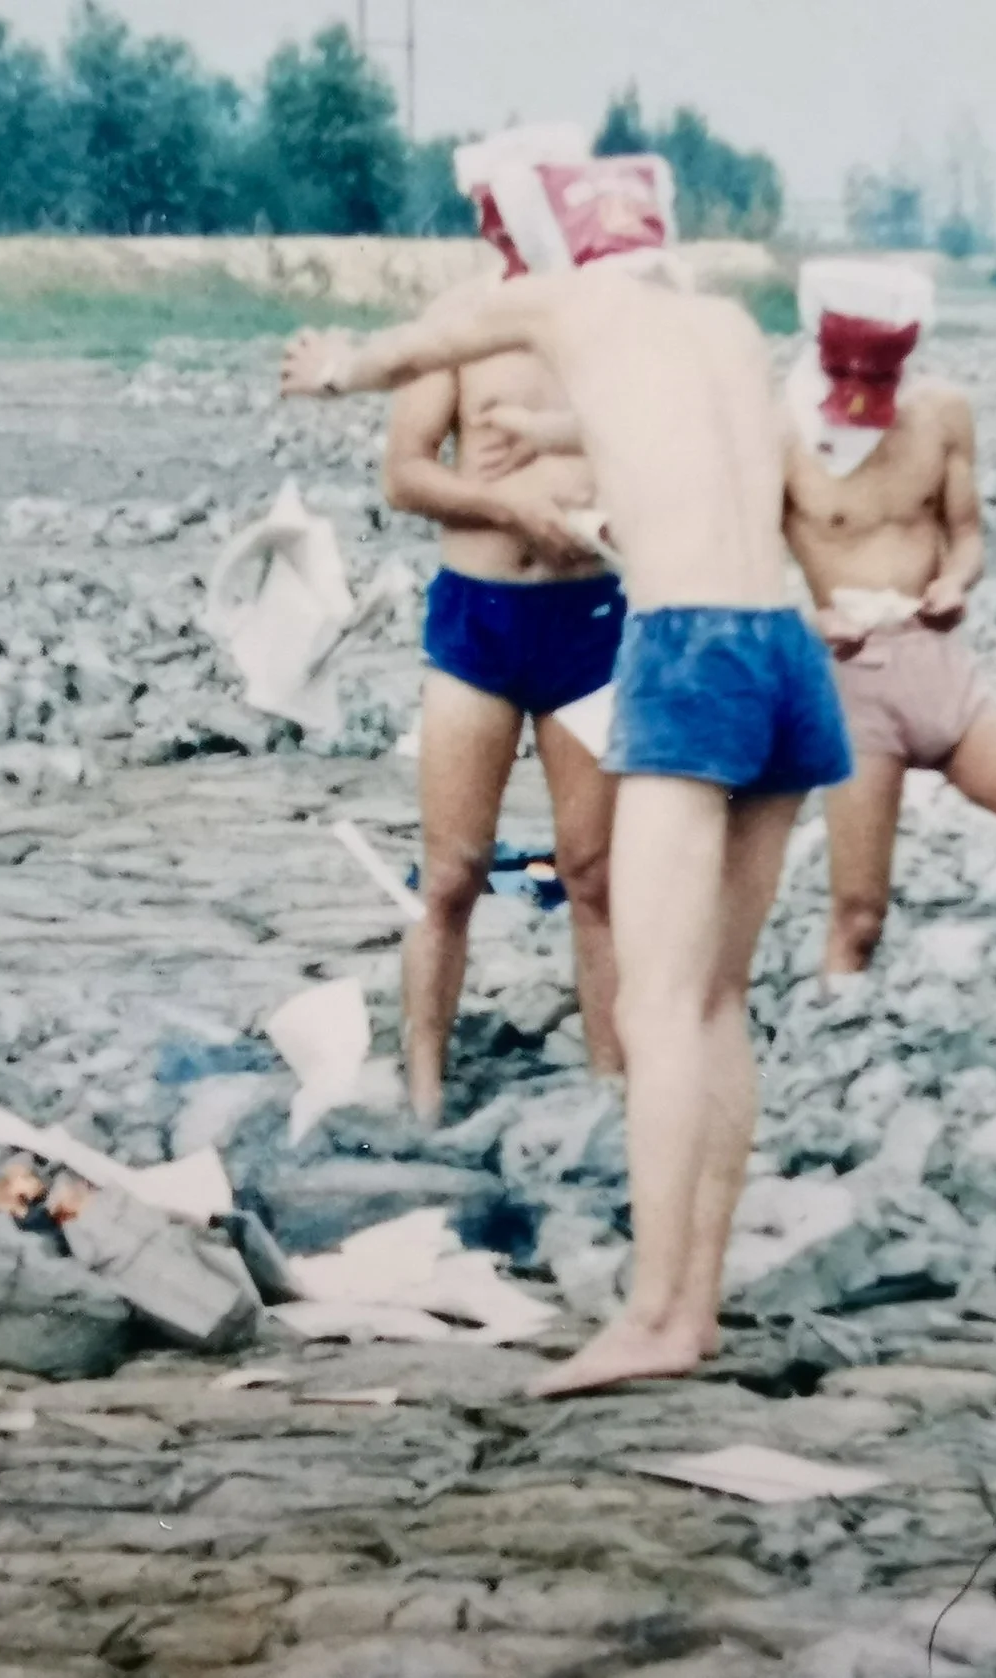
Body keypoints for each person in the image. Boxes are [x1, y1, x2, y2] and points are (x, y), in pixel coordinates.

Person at [281, 151, 853, 1396]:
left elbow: (424, 337)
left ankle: (650, 1313)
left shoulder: (560, 300)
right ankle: (692, 1305)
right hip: (782, 651)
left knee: (657, 1007)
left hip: (684, 648)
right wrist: (551, 430)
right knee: (714, 1000)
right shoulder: (717, 319)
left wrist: (337, 367)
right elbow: (713, 444)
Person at [781, 260, 996, 1023]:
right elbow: (741, 572)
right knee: (860, 915)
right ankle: (834, 1051)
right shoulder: (782, 430)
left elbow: (966, 537)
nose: (864, 386)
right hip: (852, 684)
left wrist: (955, 584)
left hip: (943, 674)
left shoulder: (942, 412)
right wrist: (809, 621)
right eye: (847, 367)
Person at [382, 125, 626, 1121]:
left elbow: (662, 446)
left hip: (592, 621)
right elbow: (404, 473)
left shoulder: (614, 323)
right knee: (450, 871)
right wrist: (513, 512)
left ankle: (613, 1083)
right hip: (480, 623)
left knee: (593, 872)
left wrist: (608, 518)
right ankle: (424, 1083)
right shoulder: (457, 321)